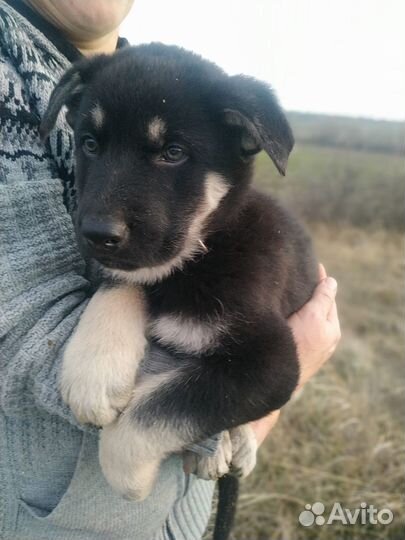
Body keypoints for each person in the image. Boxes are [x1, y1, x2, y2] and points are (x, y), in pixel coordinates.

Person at [0, 0, 341, 538]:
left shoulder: (234, 269)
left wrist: (157, 430)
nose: (105, 217)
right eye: (91, 144)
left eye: (171, 153)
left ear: (242, 144)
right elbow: (26, 333)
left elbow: (264, 368)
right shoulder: (26, 72)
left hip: (179, 514)